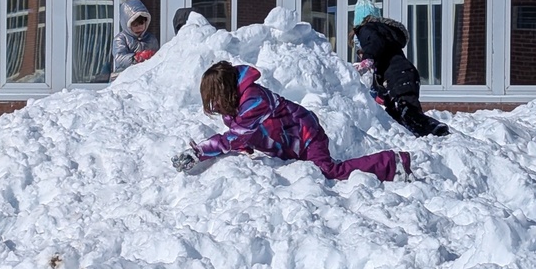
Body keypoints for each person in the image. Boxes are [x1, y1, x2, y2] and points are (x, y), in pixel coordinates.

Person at [171, 61, 411, 182]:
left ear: (225, 90)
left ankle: (392, 163)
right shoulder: (233, 108)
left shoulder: (254, 100)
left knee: (328, 172)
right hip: (289, 144)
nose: (213, 104)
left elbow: (235, 136)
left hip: (307, 136)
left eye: (214, 97)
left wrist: (199, 152)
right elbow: (242, 135)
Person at [351, 0, 449, 138]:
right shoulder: (385, 37)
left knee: (408, 112)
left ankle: (436, 130)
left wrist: (367, 58)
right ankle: (422, 135)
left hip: (399, 76)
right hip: (405, 75)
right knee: (395, 116)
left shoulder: (367, 29)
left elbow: (375, 42)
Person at [111, 0, 159, 80]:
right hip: (124, 77)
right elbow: (119, 58)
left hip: (145, 77)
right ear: (127, 24)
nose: (139, 27)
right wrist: (135, 57)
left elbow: (158, 56)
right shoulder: (121, 39)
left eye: (141, 23)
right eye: (135, 24)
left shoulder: (151, 39)